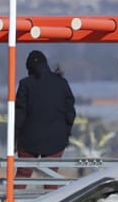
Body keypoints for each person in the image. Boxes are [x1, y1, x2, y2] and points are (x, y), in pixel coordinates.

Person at [15, 49, 76, 189]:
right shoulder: (61, 83)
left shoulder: (25, 84)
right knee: (51, 176)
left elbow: (19, 114)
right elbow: (70, 113)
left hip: (29, 140)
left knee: (23, 174)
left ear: (29, 67)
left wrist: (15, 137)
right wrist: (65, 134)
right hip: (56, 139)